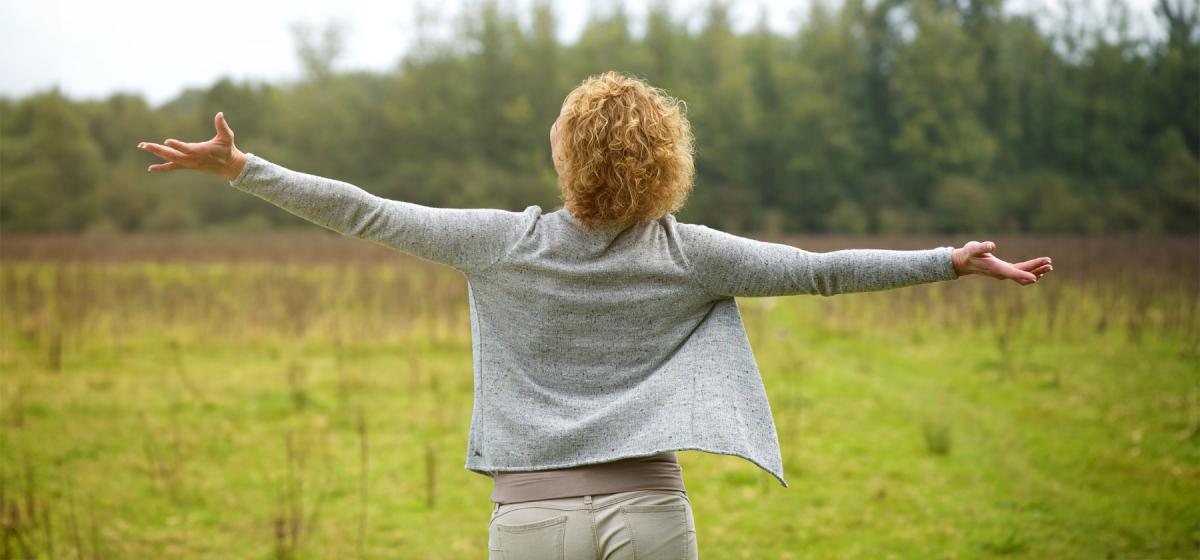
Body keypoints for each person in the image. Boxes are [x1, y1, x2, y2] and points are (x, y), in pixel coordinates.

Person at [138, 71, 1053, 559]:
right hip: (649, 515)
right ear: (663, 161)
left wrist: (245, 168)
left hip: (528, 522)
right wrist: (948, 262)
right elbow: (819, 273)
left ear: (568, 153)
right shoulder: (690, 252)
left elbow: (366, 211)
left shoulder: (500, 242)